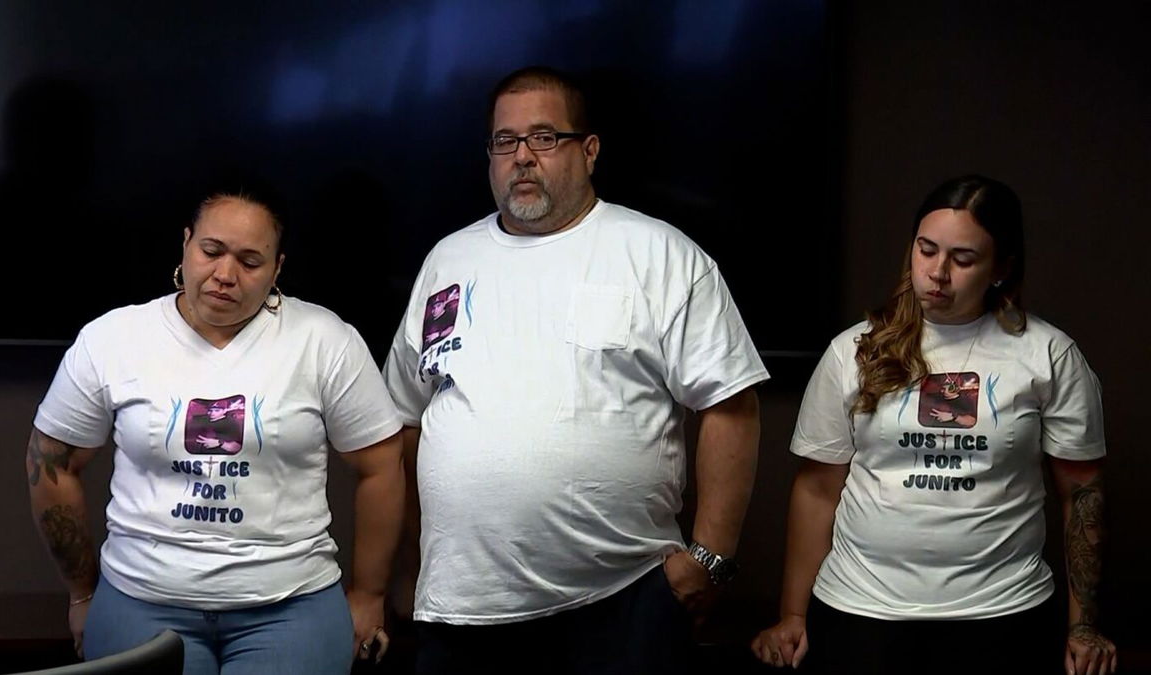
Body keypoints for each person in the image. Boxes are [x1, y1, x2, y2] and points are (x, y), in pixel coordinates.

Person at [382, 66, 768, 674]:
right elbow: (403, 420)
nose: (523, 157)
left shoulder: (659, 254)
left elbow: (731, 405)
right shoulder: (447, 261)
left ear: (588, 151)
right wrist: (407, 563)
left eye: (544, 137)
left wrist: (709, 559)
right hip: (461, 608)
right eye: (505, 141)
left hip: (622, 598)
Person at [26, 190, 406, 674]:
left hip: (290, 601)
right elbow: (49, 465)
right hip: (142, 596)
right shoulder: (112, 338)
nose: (226, 275)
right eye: (211, 251)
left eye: (250, 261)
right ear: (185, 245)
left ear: (277, 268)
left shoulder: (324, 340)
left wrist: (370, 595)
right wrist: (82, 592)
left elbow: (381, 466)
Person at [751, 175, 1118, 675]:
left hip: (1001, 614)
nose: (937, 272)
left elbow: (1083, 494)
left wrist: (1083, 626)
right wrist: (792, 614)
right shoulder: (854, 350)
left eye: (963, 260)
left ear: (1001, 269)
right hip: (862, 611)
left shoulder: (1048, 354)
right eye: (926, 250)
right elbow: (817, 489)